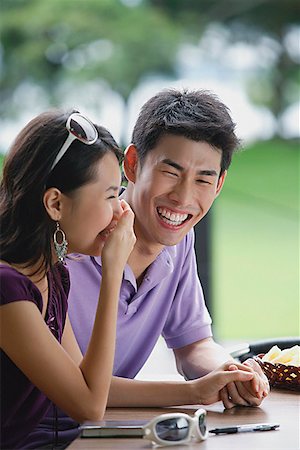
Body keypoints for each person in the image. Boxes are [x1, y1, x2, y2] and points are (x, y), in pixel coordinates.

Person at [66, 88, 269, 409]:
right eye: (171, 172)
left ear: (219, 184)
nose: (183, 198)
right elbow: (74, 387)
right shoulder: (72, 241)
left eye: (203, 179)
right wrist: (193, 392)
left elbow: (193, 344)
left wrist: (229, 370)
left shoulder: (179, 241)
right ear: (132, 164)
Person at [0, 110, 136, 449]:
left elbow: (85, 381)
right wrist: (113, 271)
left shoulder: (51, 273)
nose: (120, 211)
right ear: (55, 203)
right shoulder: (7, 289)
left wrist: (196, 390)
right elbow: (89, 405)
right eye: (109, 195)